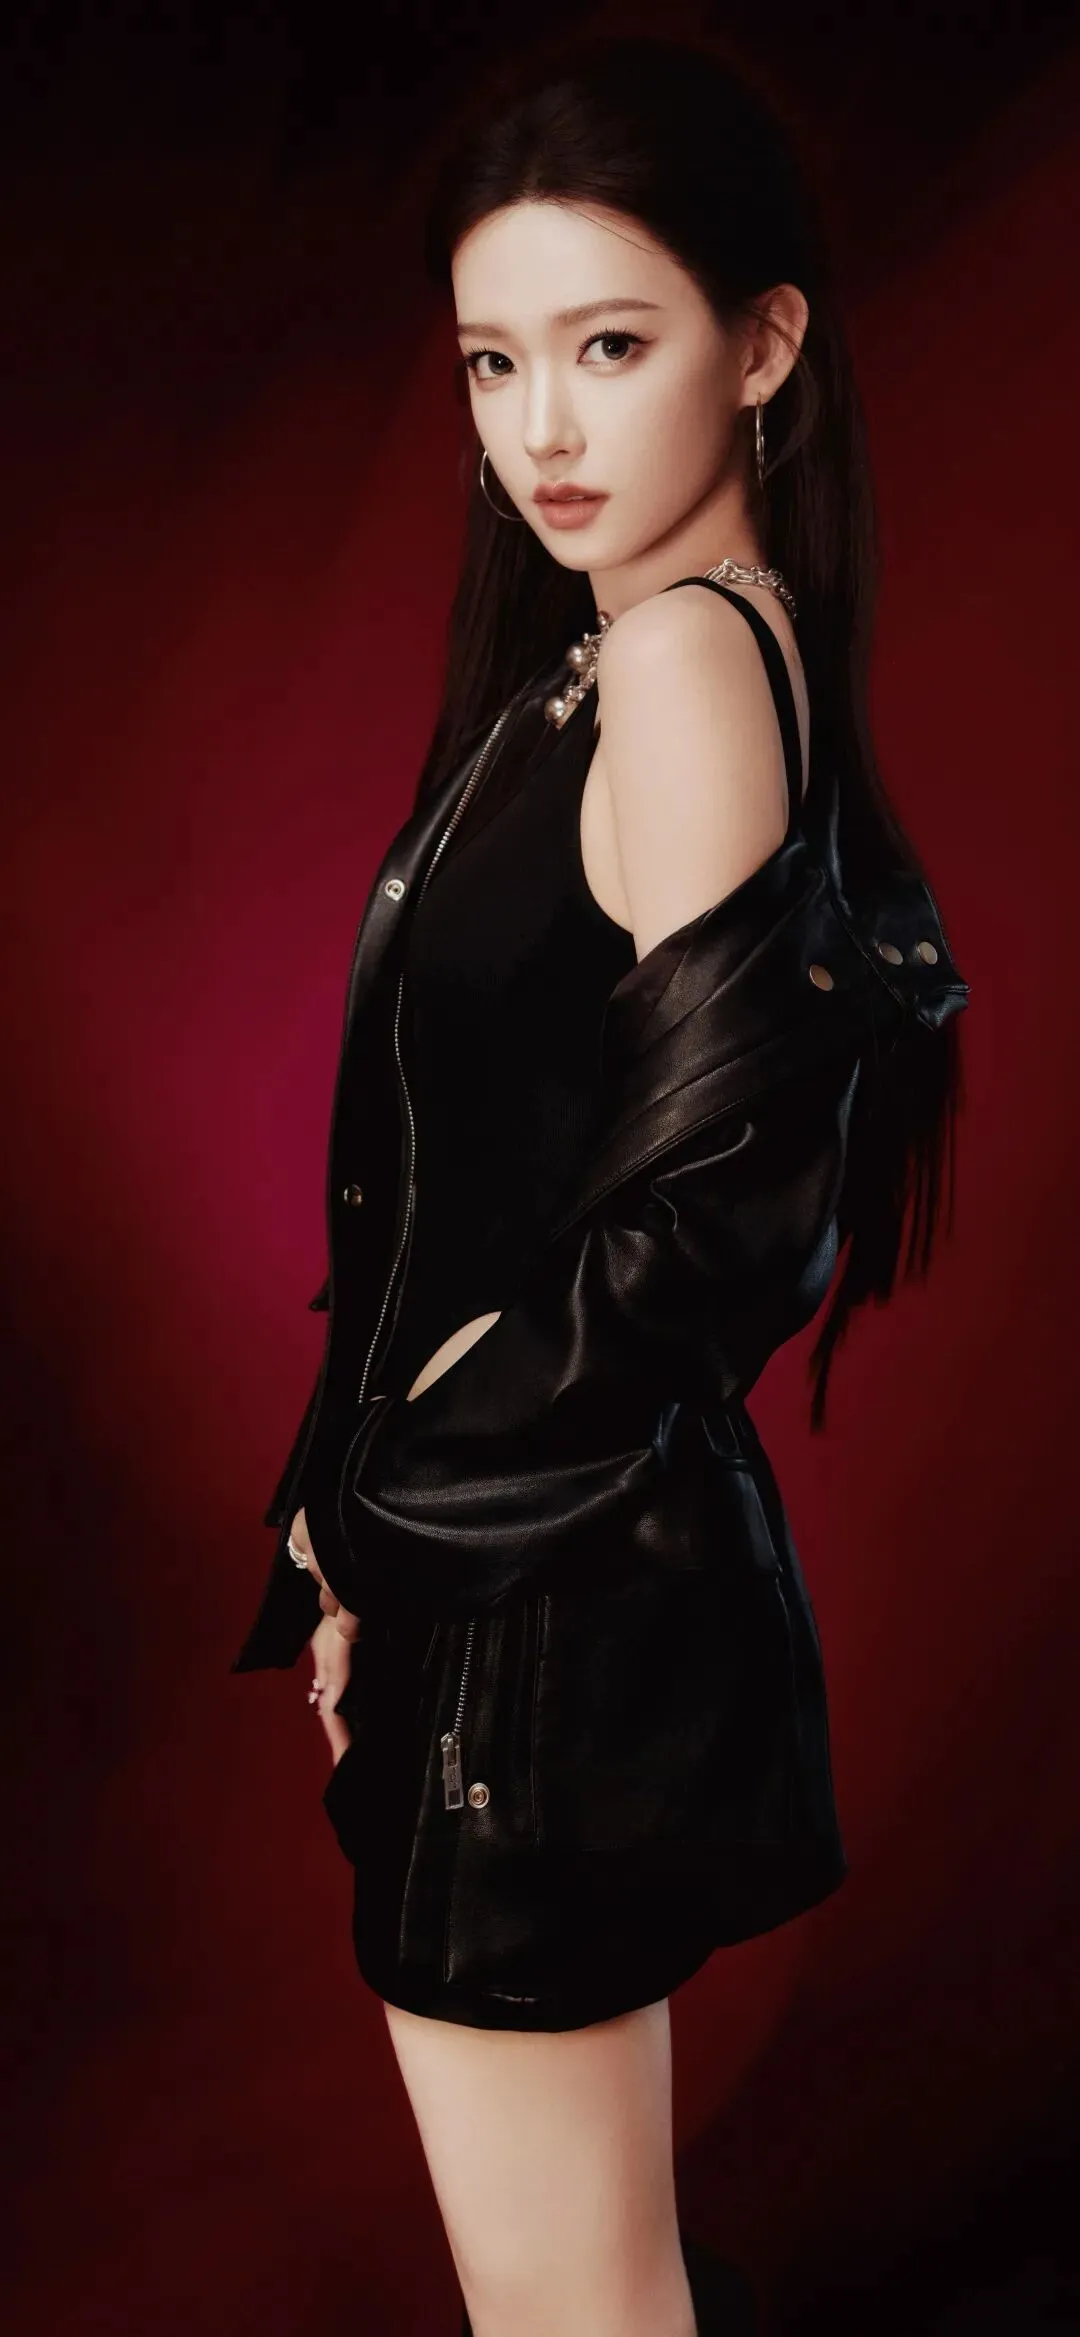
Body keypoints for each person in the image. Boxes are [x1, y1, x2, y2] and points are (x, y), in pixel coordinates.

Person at [230, 33, 970, 2337]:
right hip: (514, 1588)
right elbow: (495, 1189)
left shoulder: (678, 662)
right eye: (493, 361)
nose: (540, 427)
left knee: (575, 2317)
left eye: (612, 346)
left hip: (538, 1624)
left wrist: (384, 1519)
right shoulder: (619, 657)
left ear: (764, 344)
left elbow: (722, 1224)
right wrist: (366, 1519)